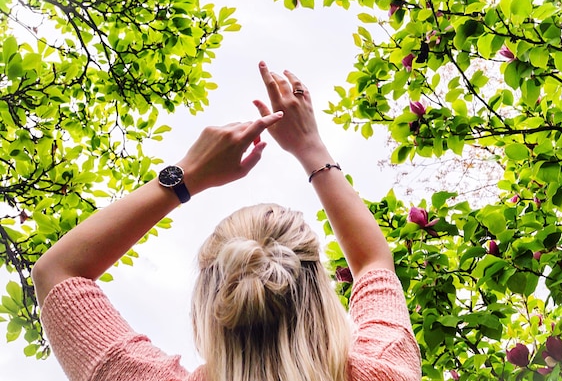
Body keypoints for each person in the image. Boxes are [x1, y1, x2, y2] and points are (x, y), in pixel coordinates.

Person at [31, 62, 422, 381]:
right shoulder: (385, 370)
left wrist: (187, 175)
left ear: (208, 304)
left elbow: (58, 272)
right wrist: (309, 146)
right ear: (319, 292)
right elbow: (373, 263)